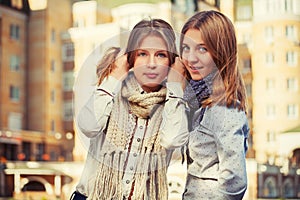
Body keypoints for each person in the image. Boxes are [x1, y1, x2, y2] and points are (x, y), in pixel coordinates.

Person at [71, 18, 184, 200]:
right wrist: (114, 74)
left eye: (161, 55)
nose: (151, 63)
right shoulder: (110, 91)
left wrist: (176, 87)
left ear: (172, 62)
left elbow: (172, 140)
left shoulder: (174, 105)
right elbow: (88, 126)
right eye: (142, 54)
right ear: (130, 58)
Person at [160, 10, 249, 199]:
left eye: (202, 49)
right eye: (186, 48)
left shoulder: (225, 108)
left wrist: (175, 86)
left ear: (220, 52)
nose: (191, 58)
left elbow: (235, 182)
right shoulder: (198, 103)